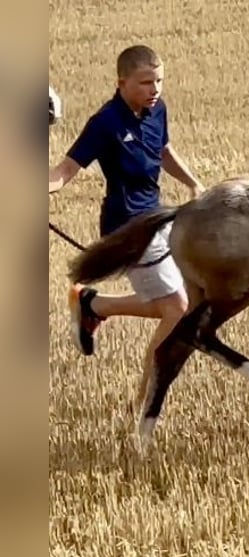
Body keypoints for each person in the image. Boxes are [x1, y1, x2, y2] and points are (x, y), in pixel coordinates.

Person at [48, 44, 205, 412]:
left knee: (179, 300)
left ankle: (94, 305)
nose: (155, 89)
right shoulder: (105, 123)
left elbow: (162, 151)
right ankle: (145, 401)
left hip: (157, 218)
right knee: (177, 307)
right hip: (126, 229)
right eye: (146, 82)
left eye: (159, 81)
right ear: (122, 83)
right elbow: (64, 172)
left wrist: (193, 184)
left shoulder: (157, 111)